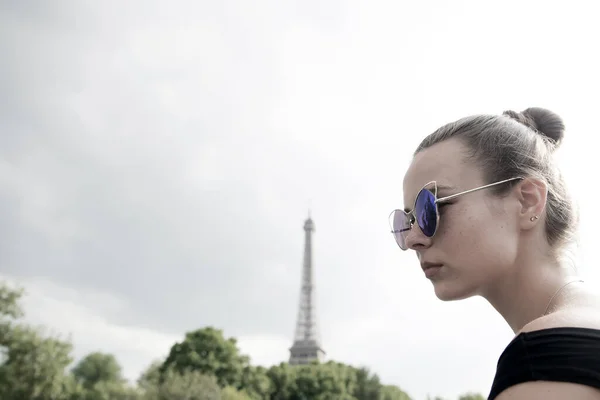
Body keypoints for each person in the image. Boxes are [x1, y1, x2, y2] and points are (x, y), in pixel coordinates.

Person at [389, 107, 600, 400]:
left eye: (431, 207)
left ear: (527, 201)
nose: (413, 239)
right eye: (406, 221)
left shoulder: (545, 360)